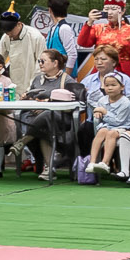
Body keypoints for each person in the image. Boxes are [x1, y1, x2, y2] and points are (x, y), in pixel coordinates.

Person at [19, 49, 84, 181]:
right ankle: (49, 169)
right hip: (36, 119)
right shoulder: (37, 79)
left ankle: (23, 141)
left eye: (43, 61)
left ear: (55, 63)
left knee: (47, 116)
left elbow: (75, 103)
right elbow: (32, 96)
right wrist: (27, 98)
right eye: (39, 61)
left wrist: (46, 103)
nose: (40, 64)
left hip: (60, 119)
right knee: (38, 125)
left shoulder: (67, 80)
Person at [90, 72, 130, 182]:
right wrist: (97, 113)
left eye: (113, 85)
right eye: (107, 85)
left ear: (122, 87)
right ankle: (92, 162)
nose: (110, 88)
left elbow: (119, 121)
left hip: (126, 127)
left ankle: (105, 162)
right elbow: (97, 109)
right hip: (109, 125)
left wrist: (104, 112)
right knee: (101, 131)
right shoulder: (102, 100)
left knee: (111, 133)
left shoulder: (125, 102)